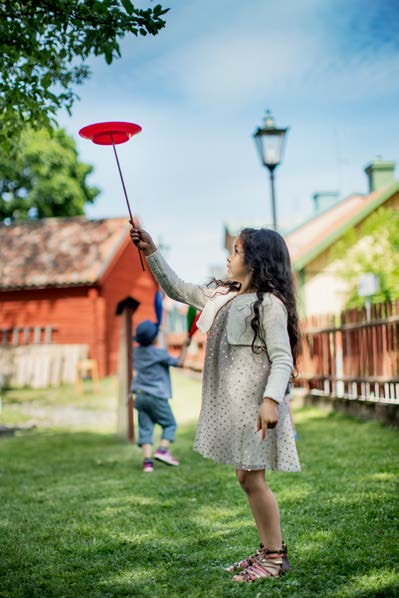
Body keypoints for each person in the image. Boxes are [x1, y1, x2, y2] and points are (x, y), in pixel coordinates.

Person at [130, 225, 301, 583]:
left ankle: (274, 557)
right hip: (236, 411)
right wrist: (151, 251)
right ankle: (268, 548)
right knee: (246, 477)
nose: (229, 257)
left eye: (236, 251)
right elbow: (176, 288)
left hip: (256, 410)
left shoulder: (269, 305)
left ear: (256, 261)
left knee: (254, 480)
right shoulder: (220, 296)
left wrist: (271, 400)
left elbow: (282, 359)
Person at [131, 319, 189, 473]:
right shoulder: (159, 353)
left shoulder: (136, 352)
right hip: (156, 397)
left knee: (145, 428)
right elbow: (179, 363)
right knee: (170, 424)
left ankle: (147, 463)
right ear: (155, 338)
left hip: (140, 396)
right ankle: (163, 450)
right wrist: (185, 346)